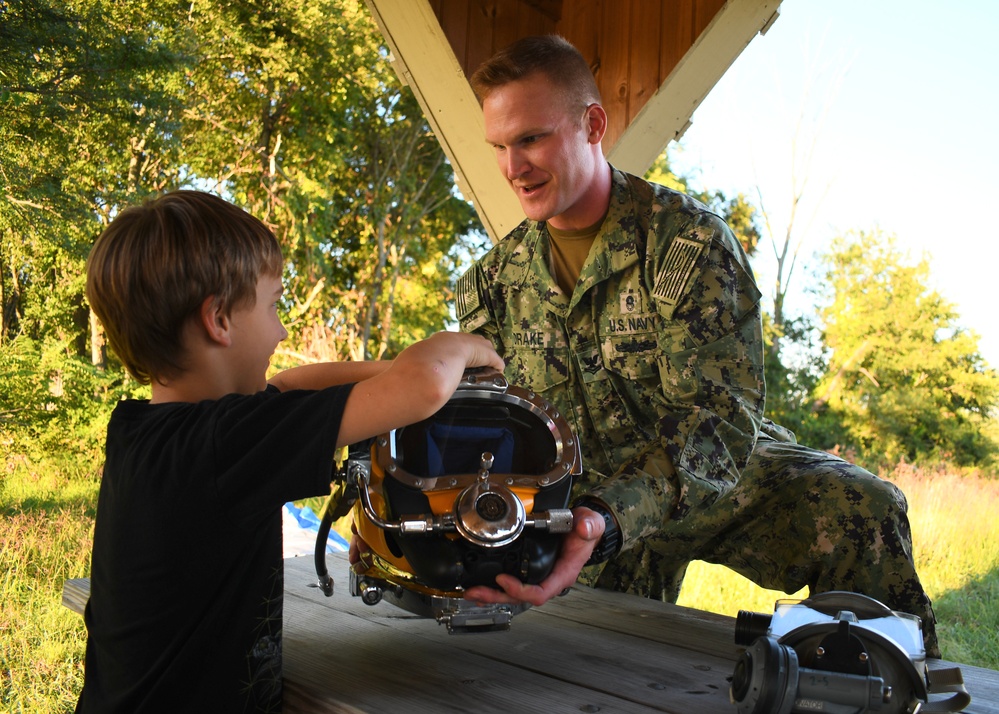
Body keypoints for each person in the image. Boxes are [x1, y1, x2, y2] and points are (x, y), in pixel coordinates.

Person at [455, 34, 940, 657]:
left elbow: (718, 424)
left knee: (861, 508)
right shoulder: (491, 285)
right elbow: (483, 427)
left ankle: (900, 683)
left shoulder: (687, 244)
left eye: (530, 139)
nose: (512, 166)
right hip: (583, 502)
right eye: (499, 145)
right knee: (565, 656)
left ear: (593, 124)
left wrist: (609, 515)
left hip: (709, 474)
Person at [76, 190, 504, 713]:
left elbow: (292, 384)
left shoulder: (148, 432)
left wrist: (395, 367)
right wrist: (462, 346)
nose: (281, 330)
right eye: (274, 305)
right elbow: (423, 389)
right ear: (219, 321)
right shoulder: (222, 443)